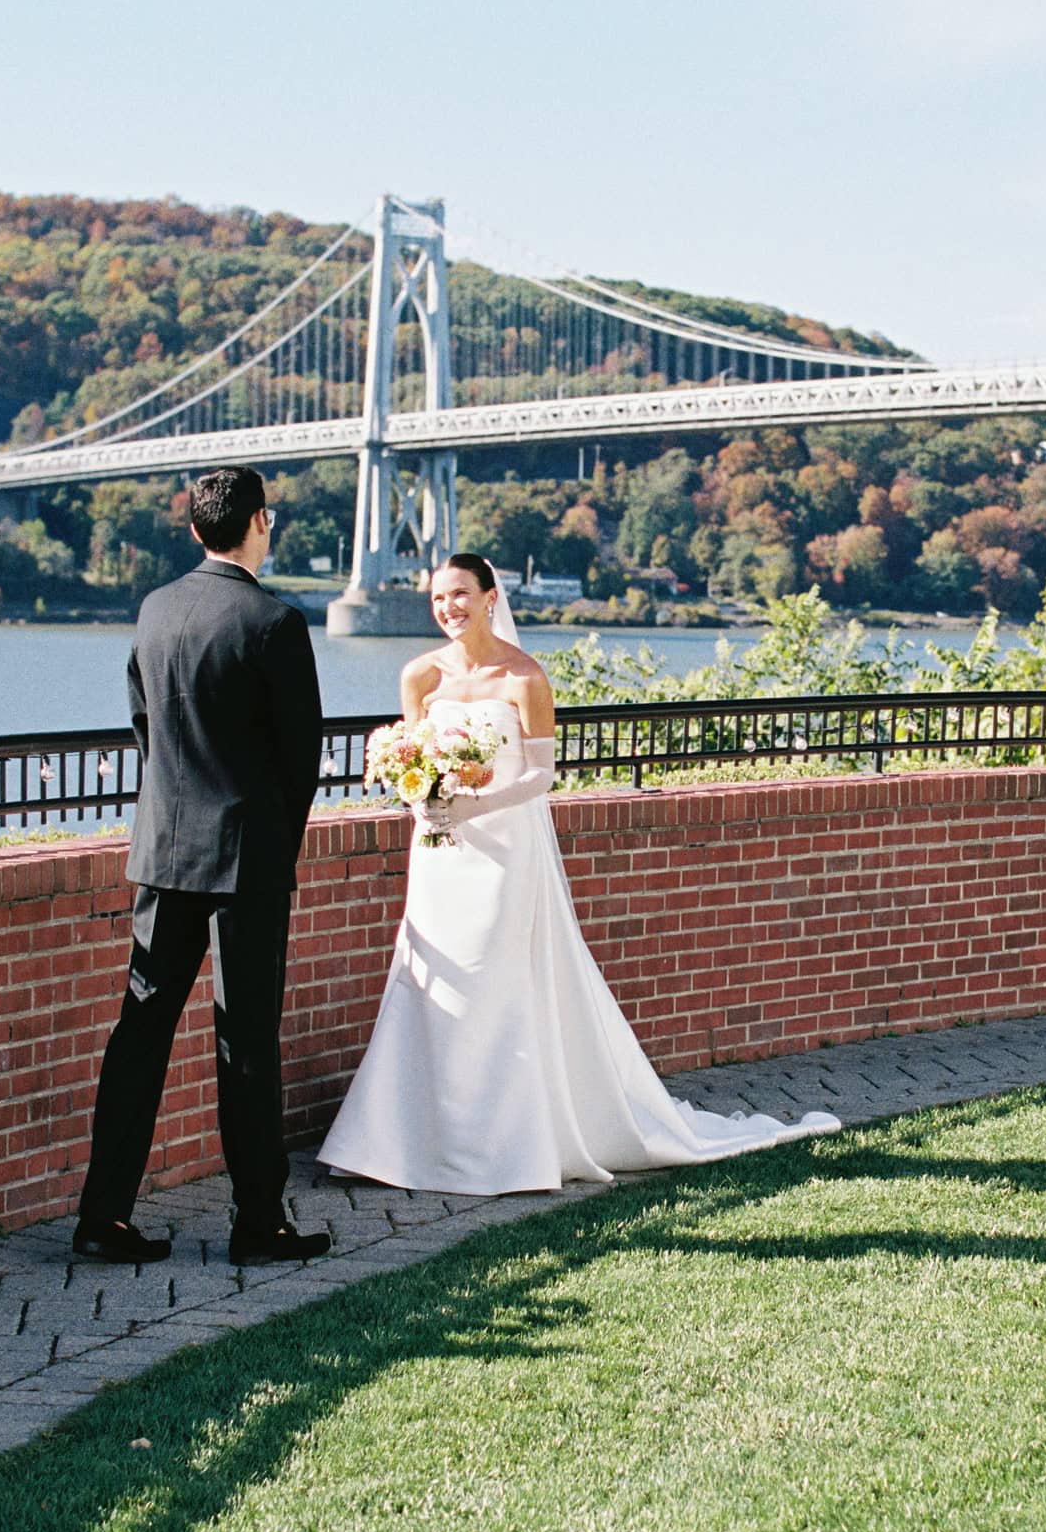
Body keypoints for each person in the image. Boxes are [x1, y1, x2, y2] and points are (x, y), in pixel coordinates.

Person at [317, 553, 837, 1195]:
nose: (448, 608)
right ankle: (409, 1141)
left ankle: (504, 1144)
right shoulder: (419, 674)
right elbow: (411, 758)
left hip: (504, 853)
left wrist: (475, 804)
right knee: (429, 982)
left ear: (490, 597)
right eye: (437, 599)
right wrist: (419, 797)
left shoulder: (524, 676)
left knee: (495, 981)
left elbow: (541, 775)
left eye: (460, 594)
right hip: (440, 852)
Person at [73, 466, 332, 1266]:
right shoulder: (275, 622)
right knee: (246, 1039)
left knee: (140, 1031)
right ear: (262, 522)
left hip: (164, 849)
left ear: (194, 529)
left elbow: (145, 727)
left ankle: (103, 1214)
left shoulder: (155, 609)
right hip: (244, 860)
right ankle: (258, 1222)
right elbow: (300, 759)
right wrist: (276, 849)